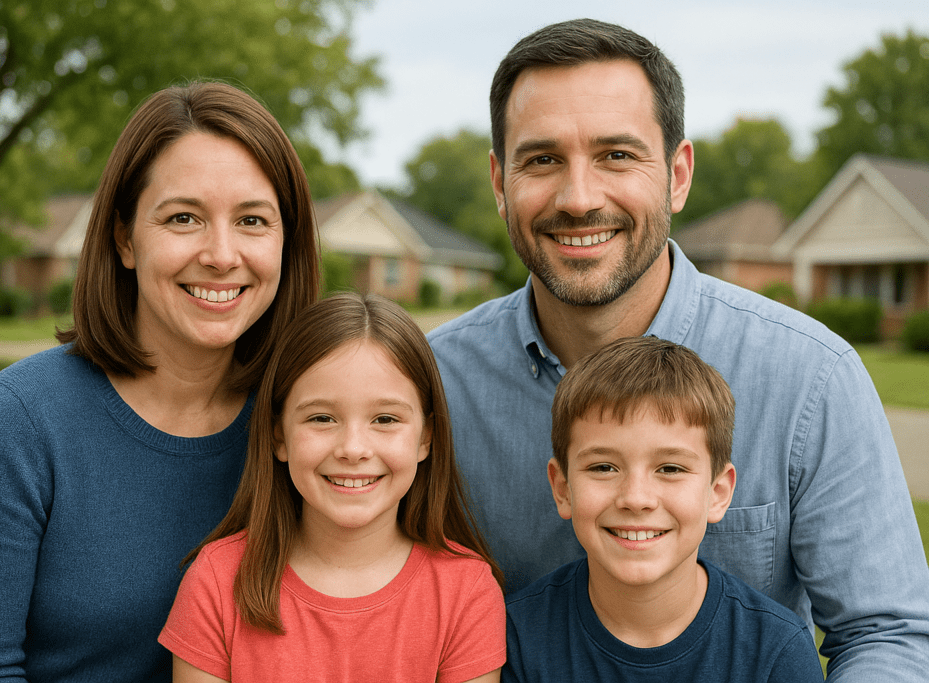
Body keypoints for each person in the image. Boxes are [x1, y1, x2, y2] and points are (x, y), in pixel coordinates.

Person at [427, 17, 929, 681]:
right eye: (542, 159)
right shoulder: (430, 388)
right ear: (499, 182)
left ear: (678, 174)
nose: (579, 198)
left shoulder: (810, 377)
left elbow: (888, 633)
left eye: (617, 155)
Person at [0, 81, 320, 682]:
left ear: (287, 242)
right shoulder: (19, 422)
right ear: (125, 238)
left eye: (253, 220)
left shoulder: (309, 425)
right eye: (183, 218)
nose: (221, 254)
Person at [158, 293, 506, 683]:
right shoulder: (216, 582)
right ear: (278, 435)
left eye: (385, 419)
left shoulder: (468, 593)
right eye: (322, 418)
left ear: (426, 437)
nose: (353, 449)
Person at [502, 336, 824, 682]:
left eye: (670, 468)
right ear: (563, 488)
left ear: (717, 493)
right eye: (603, 467)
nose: (636, 498)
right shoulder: (516, 638)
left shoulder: (776, 650)